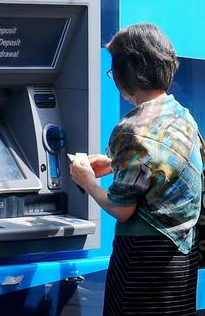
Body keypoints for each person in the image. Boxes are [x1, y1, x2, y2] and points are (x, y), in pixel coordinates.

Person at [70, 23, 202, 316]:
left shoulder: (131, 129)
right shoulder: (181, 115)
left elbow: (122, 209)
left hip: (143, 262)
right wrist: (114, 163)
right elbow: (161, 166)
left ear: (126, 73)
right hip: (181, 259)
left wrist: (88, 181)